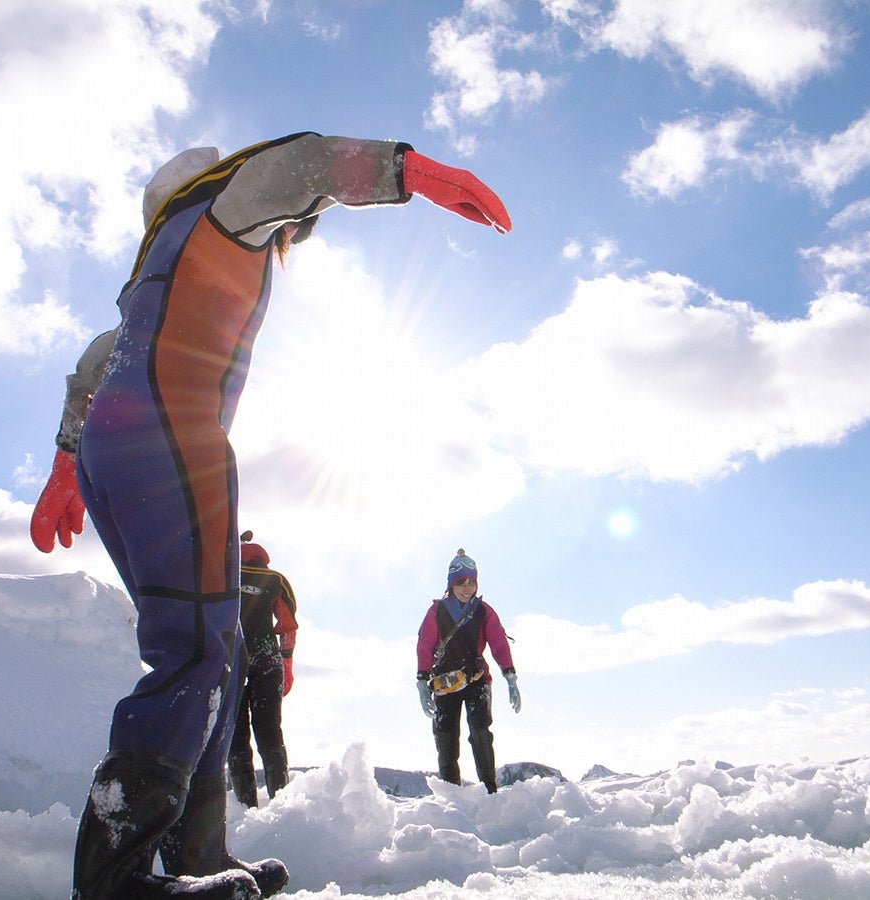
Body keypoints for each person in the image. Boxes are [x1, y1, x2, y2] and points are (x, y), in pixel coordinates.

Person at [29, 133, 510, 900]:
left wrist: (65, 462)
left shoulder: (158, 271)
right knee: (194, 652)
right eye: (288, 230)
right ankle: (114, 880)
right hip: (171, 436)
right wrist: (407, 173)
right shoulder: (217, 204)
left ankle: (197, 857)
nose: (286, 237)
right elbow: (297, 167)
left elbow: (94, 363)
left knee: (208, 649)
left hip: (118, 447)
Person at [415, 549, 521, 794]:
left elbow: (498, 643)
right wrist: (422, 682)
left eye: (471, 582)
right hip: (445, 682)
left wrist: (510, 675)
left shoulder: (483, 611)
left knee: (481, 731)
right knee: (446, 737)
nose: (467, 587)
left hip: (476, 680)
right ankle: (452, 797)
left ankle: (489, 792)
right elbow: (425, 646)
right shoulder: (436, 612)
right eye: (461, 582)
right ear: (451, 584)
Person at [229, 531, 298, 808]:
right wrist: (287, 665)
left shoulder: (225, 572)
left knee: (235, 735)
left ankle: (245, 807)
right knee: (270, 731)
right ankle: (280, 804)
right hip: (267, 658)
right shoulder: (275, 579)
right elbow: (288, 626)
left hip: (232, 657)